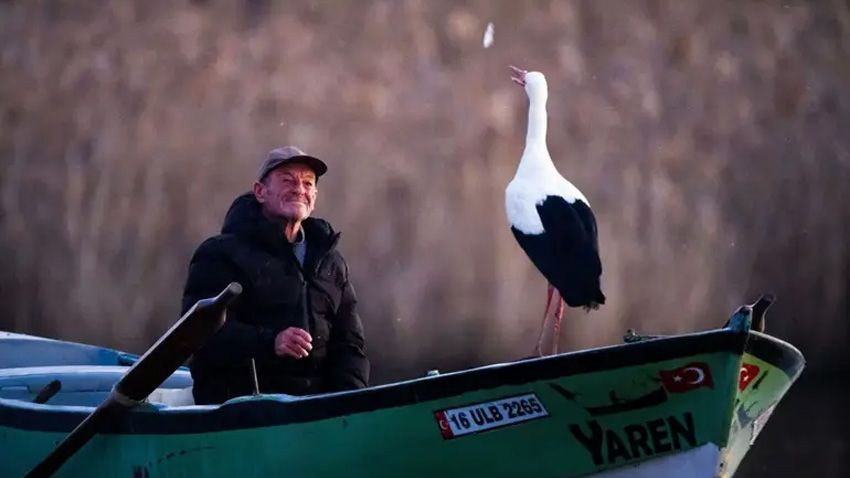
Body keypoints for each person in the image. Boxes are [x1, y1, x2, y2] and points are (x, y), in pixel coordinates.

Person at [181, 145, 369, 404]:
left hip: (316, 415)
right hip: (240, 413)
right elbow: (197, 334)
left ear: (314, 196)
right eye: (287, 180)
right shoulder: (220, 254)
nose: (298, 189)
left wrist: (349, 404)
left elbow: (350, 344)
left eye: (307, 183)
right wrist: (271, 343)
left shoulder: (332, 262)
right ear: (260, 192)